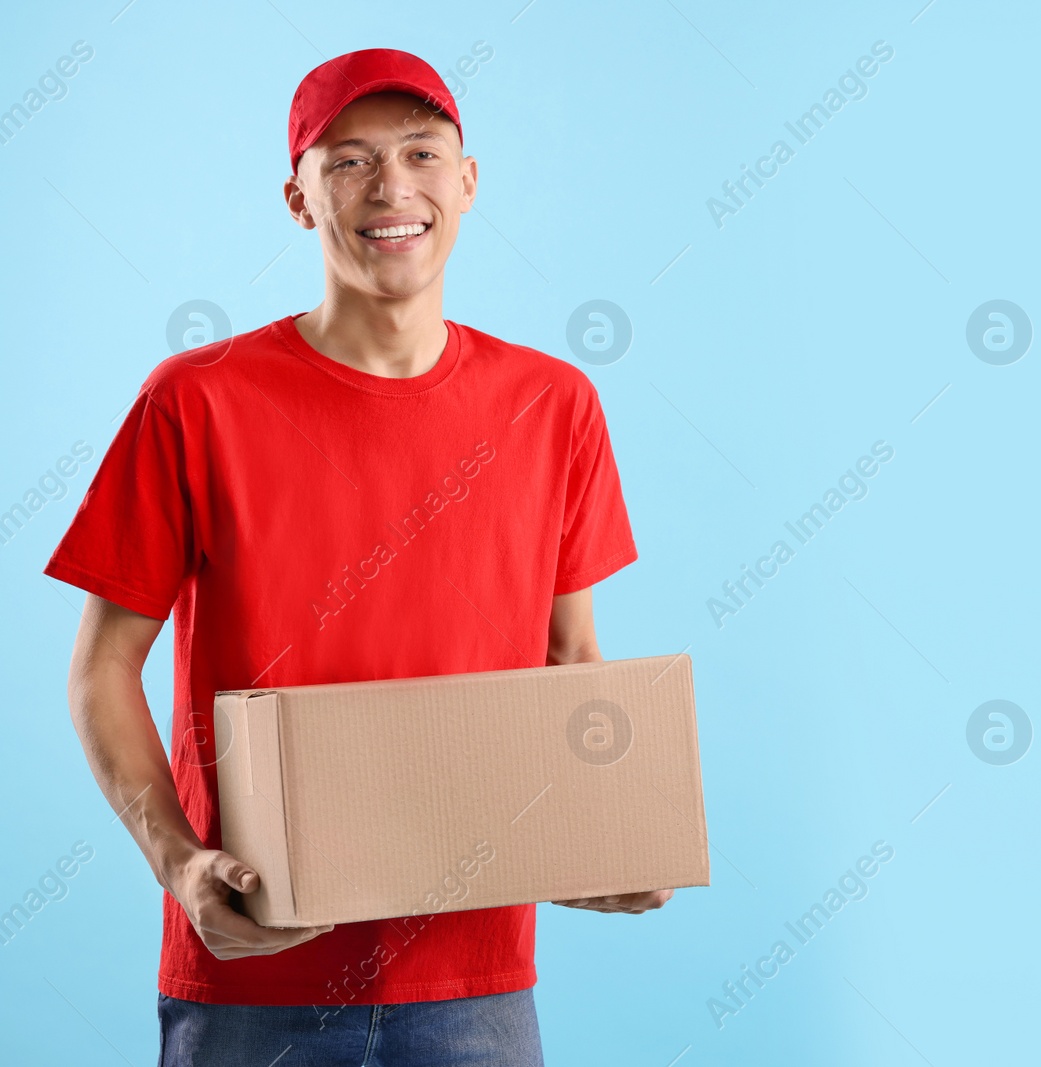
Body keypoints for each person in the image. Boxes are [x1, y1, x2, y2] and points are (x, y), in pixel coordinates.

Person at [42, 47, 668, 1066]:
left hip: (475, 977)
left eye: (423, 153)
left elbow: (570, 663)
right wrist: (182, 865)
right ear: (298, 198)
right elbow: (100, 667)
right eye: (349, 160)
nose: (392, 188)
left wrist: (605, 834)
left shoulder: (554, 406)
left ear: (467, 182)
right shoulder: (195, 401)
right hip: (255, 968)